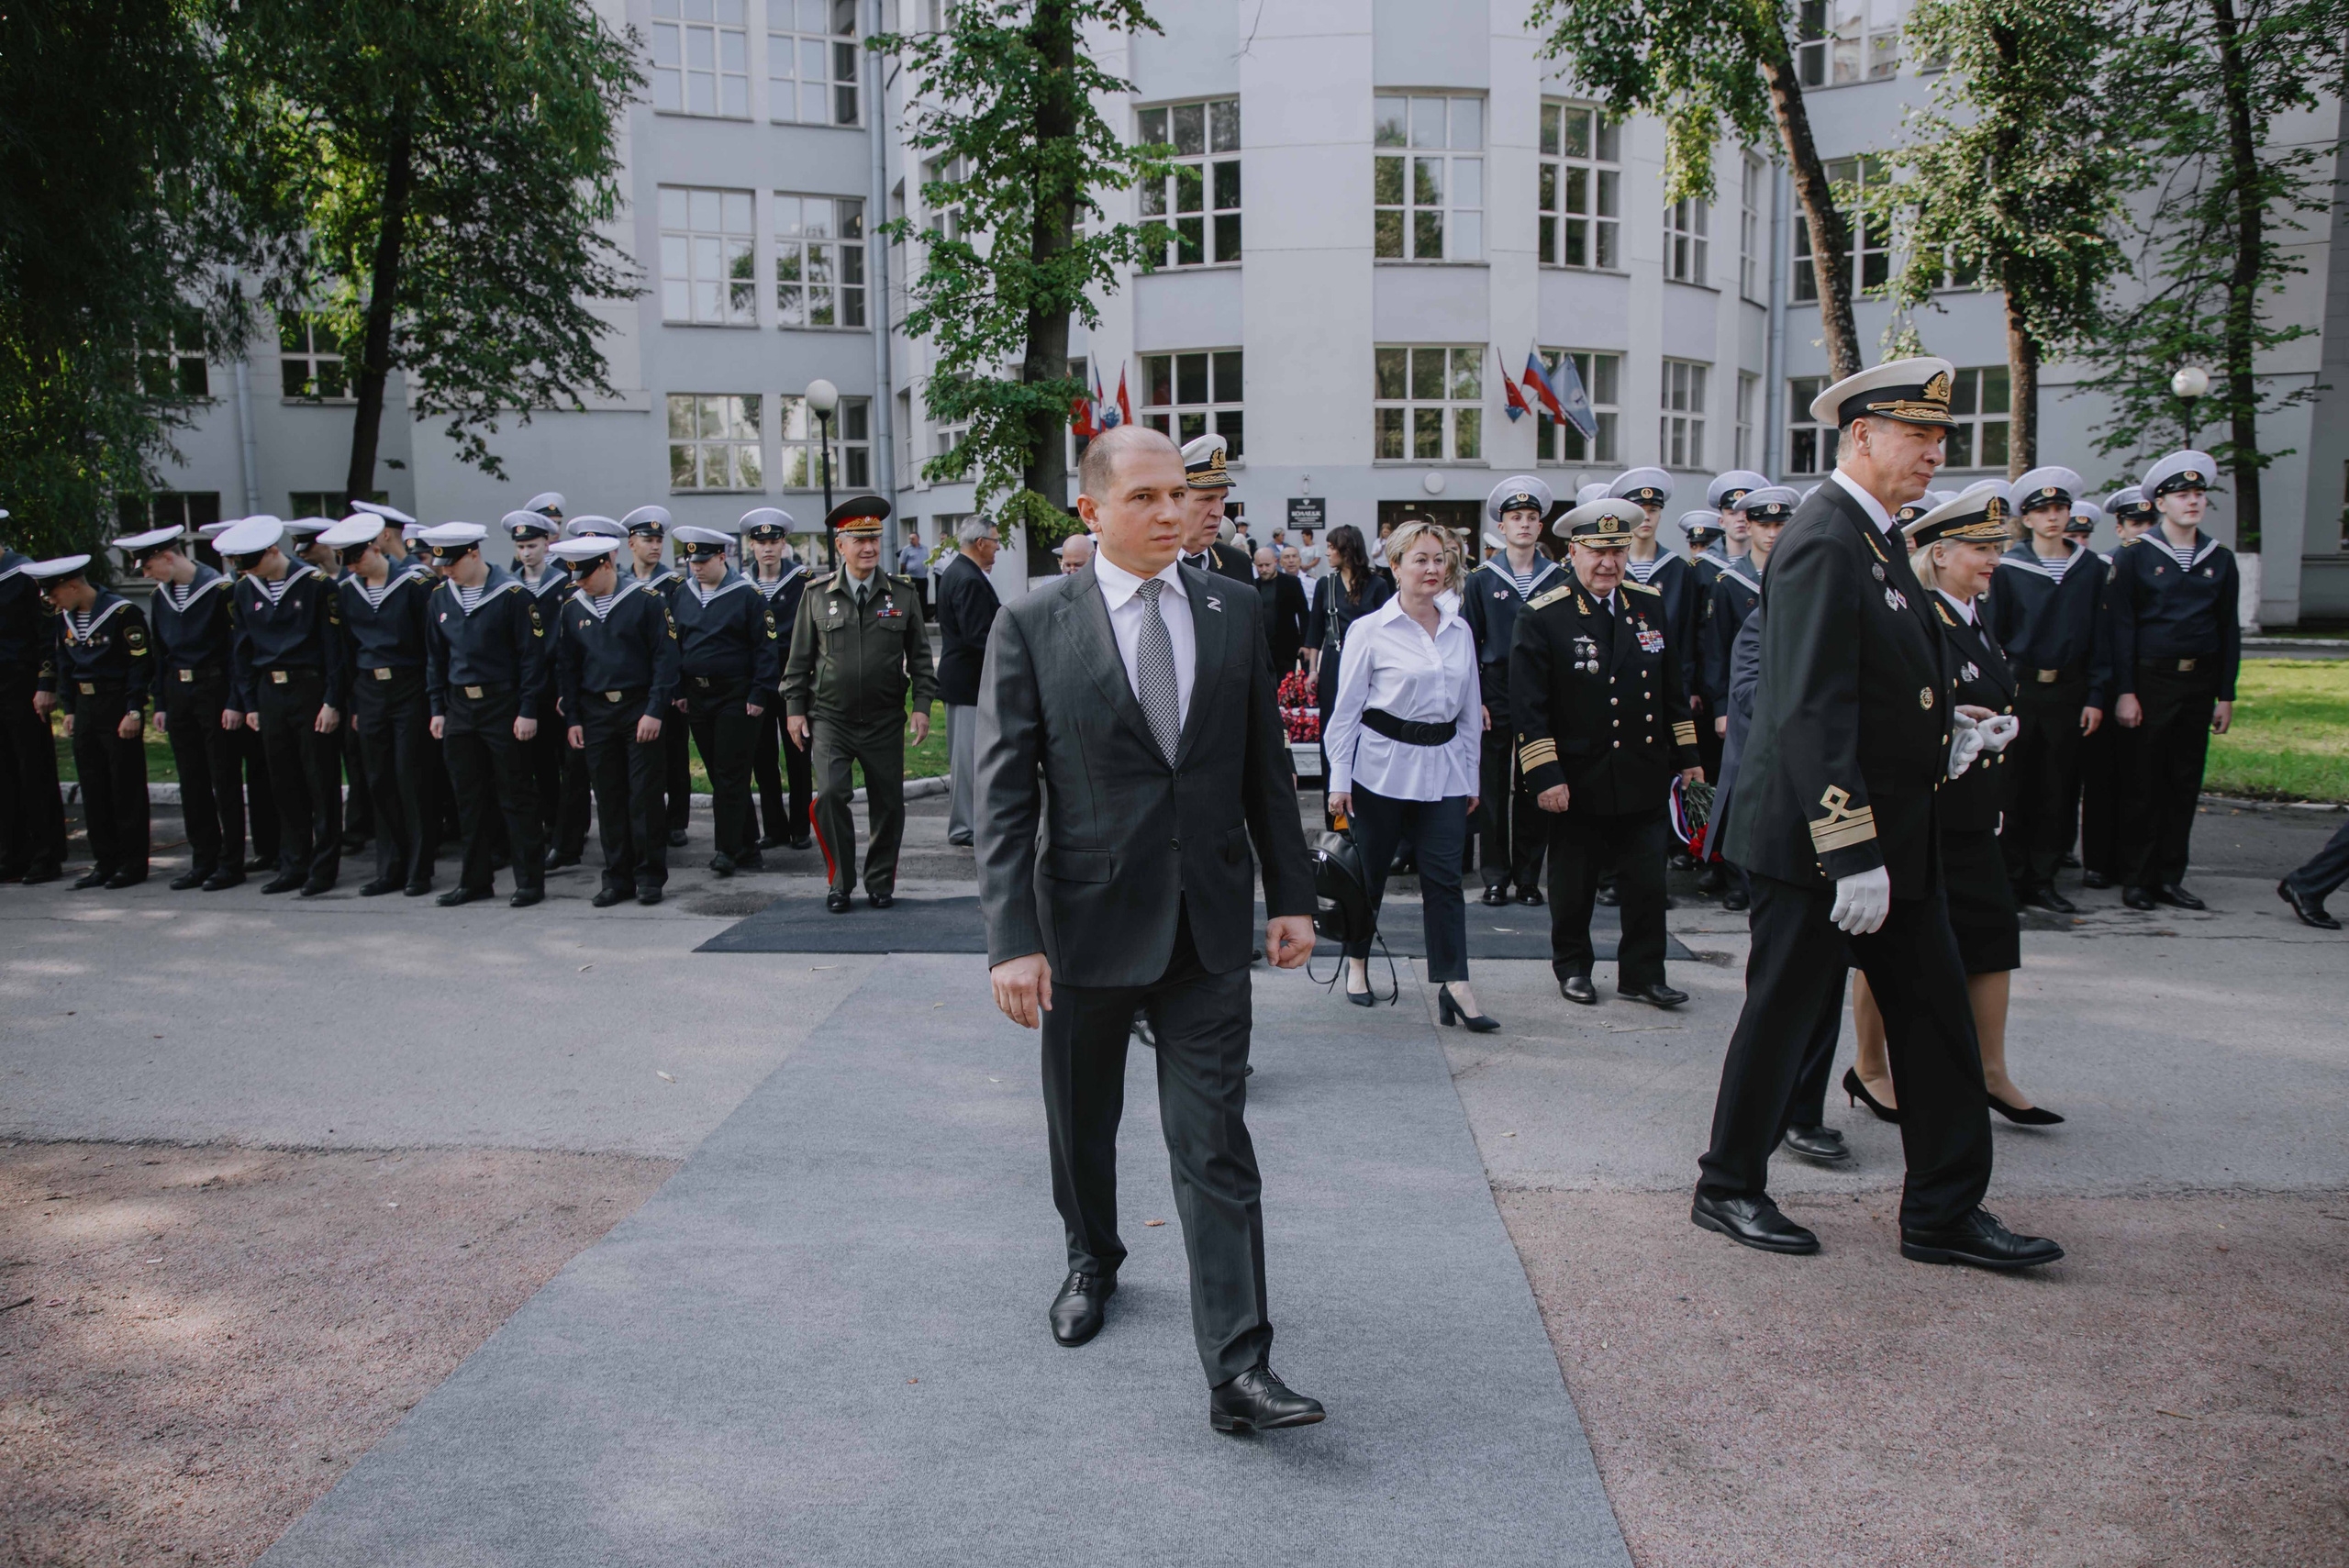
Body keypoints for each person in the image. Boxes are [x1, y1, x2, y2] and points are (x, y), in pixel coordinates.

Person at [972, 423, 1321, 1434]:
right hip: (1081, 928)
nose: (1173, 512)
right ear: (1092, 510)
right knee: (1082, 1127)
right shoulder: (1034, 624)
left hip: (1209, 927)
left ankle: (1238, 1369)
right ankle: (1093, 1256)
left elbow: (1264, 766)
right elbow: (1003, 800)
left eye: (1181, 494)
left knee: (1213, 1142)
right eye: (1147, 498)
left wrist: (1290, 895)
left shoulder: (1232, 606)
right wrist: (1010, 938)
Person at [1698, 354, 2062, 1271]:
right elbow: (1809, 704)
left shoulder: (1878, 535)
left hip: (1896, 829)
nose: (1935, 451)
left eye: (1940, 435)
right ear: (1861, 435)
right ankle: (1728, 1184)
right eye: (1918, 434)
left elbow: (1883, 680)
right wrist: (1850, 846)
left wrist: (1947, 734)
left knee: (1935, 1018)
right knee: (1783, 1013)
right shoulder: (1824, 536)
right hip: (1823, 843)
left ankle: (1942, 1209)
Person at [1850, 482, 2056, 1126]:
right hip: (1926, 809)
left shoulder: (1974, 617)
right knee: (1887, 942)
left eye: (1996, 546)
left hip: (1973, 810)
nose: (1991, 558)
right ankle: (1871, 1067)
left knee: (1993, 936)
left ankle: (1992, 1069)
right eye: (1977, 547)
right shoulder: (1920, 619)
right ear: (1938, 554)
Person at [1510, 497, 1703, 1008]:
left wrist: (1689, 760)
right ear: (1573, 552)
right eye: (1597, 552)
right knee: (1574, 885)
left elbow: (1671, 691)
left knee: (1646, 883)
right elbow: (1530, 709)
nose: (1608, 564)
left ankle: (1643, 973)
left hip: (1641, 770)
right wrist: (1545, 775)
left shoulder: (1648, 604)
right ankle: (1573, 967)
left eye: (1617, 551)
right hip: (1577, 775)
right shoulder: (1543, 614)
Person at [1324, 520, 1491, 1028]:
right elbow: (1346, 711)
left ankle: (1455, 983)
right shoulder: (1370, 630)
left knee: (1444, 881)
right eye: (1420, 559)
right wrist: (1339, 779)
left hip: (1443, 771)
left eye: (1439, 559)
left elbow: (1469, 712)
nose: (1432, 569)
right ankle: (1357, 961)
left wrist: (1471, 778)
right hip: (1381, 771)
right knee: (1369, 874)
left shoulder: (1459, 629)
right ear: (1394, 567)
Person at [783, 496, 936, 914]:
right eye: (859, 540)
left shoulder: (902, 593)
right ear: (840, 546)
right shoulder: (816, 595)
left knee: (888, 802)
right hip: (830, 717)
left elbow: (921, 657)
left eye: (874, 539)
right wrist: (794, 709)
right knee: (830, 795)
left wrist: (922, 704)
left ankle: (880, 881)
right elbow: (798, 659)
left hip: (885, 719)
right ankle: (840, 881)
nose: (868, 548)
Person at [2107, 450, 2240, 912]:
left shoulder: (2219, 558)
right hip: (2151, 681)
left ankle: (2170, 876)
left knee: (2184, 782)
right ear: (2160, 504)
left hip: (2199, 682)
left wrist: (2226, 693)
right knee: (2143, 781)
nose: (2193, 502)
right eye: (2183, 495)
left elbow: (2229, 630)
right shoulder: (2135, 557)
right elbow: (2121, 629)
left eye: (2199, 494)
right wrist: (2125, 691)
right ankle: (2137, 878)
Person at [1988, 466, 2106, 913]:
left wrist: (2096, 695)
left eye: (2060, 508)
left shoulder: (2090, 568)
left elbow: (2102, 636)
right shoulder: (2008, 567)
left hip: (2069, 692)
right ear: (2028, 519)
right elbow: (1994, 636)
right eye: (2043, 511)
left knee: (2057, 790)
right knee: (2014, 787)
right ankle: (2010, 878)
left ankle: (2043, 878)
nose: (2054, 518)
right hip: (2021, 690)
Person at [418, 522, 547, 908]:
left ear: (474, 554)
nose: (446, 571)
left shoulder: (512, 595)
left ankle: (529, 881)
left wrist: (527, 710)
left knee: (515, 793)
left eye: (452, 563)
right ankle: (475, 880)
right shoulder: (442, 597)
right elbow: (435, 658)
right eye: (442, 565)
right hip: (460, 706)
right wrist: (437, 707)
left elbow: (531, 659)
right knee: (468, 798)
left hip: (502, 704)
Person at [218, 514, 347, 896]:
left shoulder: (317, 586)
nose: (248, 571)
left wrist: (332, 700)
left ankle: (323, 868)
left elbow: (334, 649)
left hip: (310, 689)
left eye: (253, 563)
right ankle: (294, 863)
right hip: (269, 692)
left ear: (274, 551)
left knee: (319, 782)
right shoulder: (245, 590)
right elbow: (241, 650)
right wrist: (249, 701)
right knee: (283, 782)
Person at [549, 535, 681, 906]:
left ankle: (649, 875)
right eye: (575, 576)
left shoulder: (646, 601)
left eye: (586, 574)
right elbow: (568, 668)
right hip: (596, 713)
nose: (579, 582)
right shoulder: (573, 608)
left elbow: (665, 659)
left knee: (643, 795)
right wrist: (573, 717)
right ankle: (617, 877)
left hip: (638, 707)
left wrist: (655, 709)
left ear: (607, 564)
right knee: (607, 797)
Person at [118, 525, 246, 889]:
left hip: (213, 687)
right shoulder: (161, 596)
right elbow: (160, 652)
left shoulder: (220, 590)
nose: (146, 575)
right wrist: (160, 701)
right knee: (192, 781)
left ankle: (230, 862)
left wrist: (235, 700)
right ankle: (202, 858)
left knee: (224, 780)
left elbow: (236, 650)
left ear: (167, 557)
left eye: (148, 567)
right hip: (179, 691)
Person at [321, 515, 436, 897]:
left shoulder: (415, 584)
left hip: (409, 687)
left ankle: (419, 869)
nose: (353, 567)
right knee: (378, 779)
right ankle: (390, 867)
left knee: (411, 777)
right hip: (369, 690)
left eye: (358, 558)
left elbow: (431, 644)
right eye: (346, 561)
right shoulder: (349, 590)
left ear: (376, 547)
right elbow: (346, 650)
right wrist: (348, 701)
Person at [1462, 476, 1562, 908]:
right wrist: (1477, 698)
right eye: (1515, 518)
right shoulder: (1482, 579)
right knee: (1494, 785)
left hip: (1542, 689)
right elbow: (1468, 643)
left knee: (1533, 783)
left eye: (1531, 518)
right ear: (1501, 527)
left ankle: (1527, 877)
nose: (1523, 524)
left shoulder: (1559, 577)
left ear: (1541, 527)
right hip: (1496, 689)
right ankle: (1496, 877)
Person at [1697, 489, 1796, 909]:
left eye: (1779, 525)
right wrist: (1721, 707)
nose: (1772, 534)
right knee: (1737, 791)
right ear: (1749, 527)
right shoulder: (1728, 581)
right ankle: (1737, 876)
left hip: (1786, 703)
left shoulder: (1796, 573)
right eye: (1764, 525)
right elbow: (1717, 649)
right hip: (1743, 702)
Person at [28, 554, 152, 886]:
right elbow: (64, 664)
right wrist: (69, 709)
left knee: (124, 786)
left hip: (116, 704)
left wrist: (134, 709)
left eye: (54, 594)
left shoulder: (122, 613)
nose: (52, 601)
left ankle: (133, 863)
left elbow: (139, 665)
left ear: (72, 585)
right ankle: (105, 861)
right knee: (94, 787)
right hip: (85, 707)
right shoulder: (63, 618)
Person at [666, 525, 779, 877]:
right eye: (691, 561)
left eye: (703, 560)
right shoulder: (682, 595)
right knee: (720, 773)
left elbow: (766, 647)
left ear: (721, 557)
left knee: (730, 772)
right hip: (698, 695)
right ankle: (748, 847)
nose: (696, 567)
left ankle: (726, 850)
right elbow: (675, 644)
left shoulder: (747, 595)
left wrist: (760, 692)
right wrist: (679, 690)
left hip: (736, 694)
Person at [509, 500, 590, 875]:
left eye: (533, 545)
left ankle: (568, 837)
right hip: (529, 688)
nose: (526, 553)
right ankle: (550, 828)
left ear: (548, 543)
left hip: (560, 687)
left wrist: (565, 689)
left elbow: (568, 642)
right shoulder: (511, 586)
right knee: (537, 763)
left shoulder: (565, 583)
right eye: (521, 547)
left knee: (571, 766)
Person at [2078, 487, 2150, 888]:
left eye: (2148, 523)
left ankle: (2128, 859)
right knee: (2102, 778)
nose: (2142, 531)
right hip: (2106, 684)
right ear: (2120, 529)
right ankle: (2099, 861)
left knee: (2137, 779)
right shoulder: (2107, 567)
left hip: (2141, 683)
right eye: (2134, 524)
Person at [1305, 524, 1393, 826]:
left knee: (1370, 731)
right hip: (1333, 664)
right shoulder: (1324, 585)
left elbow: (1389, 629)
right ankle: (1337, 821)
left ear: (1347, 549)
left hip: (1371, 666)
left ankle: (1370, 816)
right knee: (1335, 732)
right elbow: (1315, 630)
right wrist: (1312, 671)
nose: (1327, 551)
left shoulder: (1378, 585)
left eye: (1332, 546)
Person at [0, 513, 70, 884]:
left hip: (22, 684)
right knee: (4, 775)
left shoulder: (24, 575)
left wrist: (46, 683)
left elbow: (47, 634)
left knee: (33, 770)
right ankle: (12, 854)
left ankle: (46, 855)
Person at [740, 509, 813, 852]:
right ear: (751, 545)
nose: (768, 549)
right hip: (755, 679)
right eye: (761, 542)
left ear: (784, 543)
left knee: (798, 751)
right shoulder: (740, 584)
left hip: (792, 677)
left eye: (774, 541)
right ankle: (774, 827)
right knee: (762, 756)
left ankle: (801, 826)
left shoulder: (804, 581)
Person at [620, 506, 692, 849]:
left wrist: (678, 688)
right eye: (647, 540)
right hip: (633, 683)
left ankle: (677, 820)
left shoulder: (675, 584)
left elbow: (681, 637)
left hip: (669, 683)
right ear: (631, 543)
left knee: (675, 754)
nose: (655, 546)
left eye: (658, 540)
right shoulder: (619, 583)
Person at [932, 517, 1003, 849]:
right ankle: (964, 827)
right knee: (966, 759)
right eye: (995, 541)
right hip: (968, 682)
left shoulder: (957, 572)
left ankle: (969, 823)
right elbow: (979, 635)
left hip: (962, 680)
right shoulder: (969, 578)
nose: (998, 547)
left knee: (968, 757)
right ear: (980, 543)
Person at [1176, 434, 1253, 583]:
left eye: (1222, 498)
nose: (1218, 512)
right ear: (1176, 500)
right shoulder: (1148, 563)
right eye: (1206, 499)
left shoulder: (1238, 563)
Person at [1252, 546, 1310, 674]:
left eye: (1267, 565)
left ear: (1276, 562)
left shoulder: (1291, 583)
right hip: (1262, 648)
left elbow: (1304, 614)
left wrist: (1305, 644)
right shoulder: (1253, 585)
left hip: (1286, 648)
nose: (1264, 569)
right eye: (1260, 566)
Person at [897, 528, 932, 608]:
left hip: (923, 577)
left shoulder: (924, 548)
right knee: (911, 597)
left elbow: (927, 560)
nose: (911, 540)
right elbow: (903, 563)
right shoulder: (906, 549)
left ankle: (924, 616)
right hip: (911, 577)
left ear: (918, 539)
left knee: (923, 597)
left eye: (913, 539)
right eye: (910, 539)